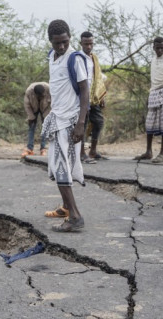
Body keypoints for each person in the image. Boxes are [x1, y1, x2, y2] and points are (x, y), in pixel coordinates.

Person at [41, 19, 89, 232]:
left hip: (69, 122)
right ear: (50, 41)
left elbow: (85, 91)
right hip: (57, 119)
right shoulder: (52, 57)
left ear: (70, 37)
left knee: (62, 168)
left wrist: (81, 124)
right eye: (57, 43)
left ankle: (75, 217)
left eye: (65, 42)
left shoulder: (75, 58)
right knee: (58, 166)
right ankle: (66, 207)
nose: (61, 46)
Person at [78, 31, 108, 164]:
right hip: (82, 97)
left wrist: (101, 96)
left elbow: (98, 78)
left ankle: (93, 151)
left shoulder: (94, 58)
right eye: (86, 44)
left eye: (91, 44)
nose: (88, 47)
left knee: (99, 122)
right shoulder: (78, 57)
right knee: (82, 125)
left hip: (94, 97)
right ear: (81, 43)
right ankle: (81, 153)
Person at [22, 82, 51, 157]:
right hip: (33, 107)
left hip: (45, 108)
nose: (42, 96)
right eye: (40, 96)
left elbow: (53, 103)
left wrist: (46, 116)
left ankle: (43, 148)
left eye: (43, 95)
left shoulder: (49, 89)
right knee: (31, 127)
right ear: (36, 94)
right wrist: (31, 117)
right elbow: (27, 105)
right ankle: (30, 148)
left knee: (45, 127)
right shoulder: (29, 92)